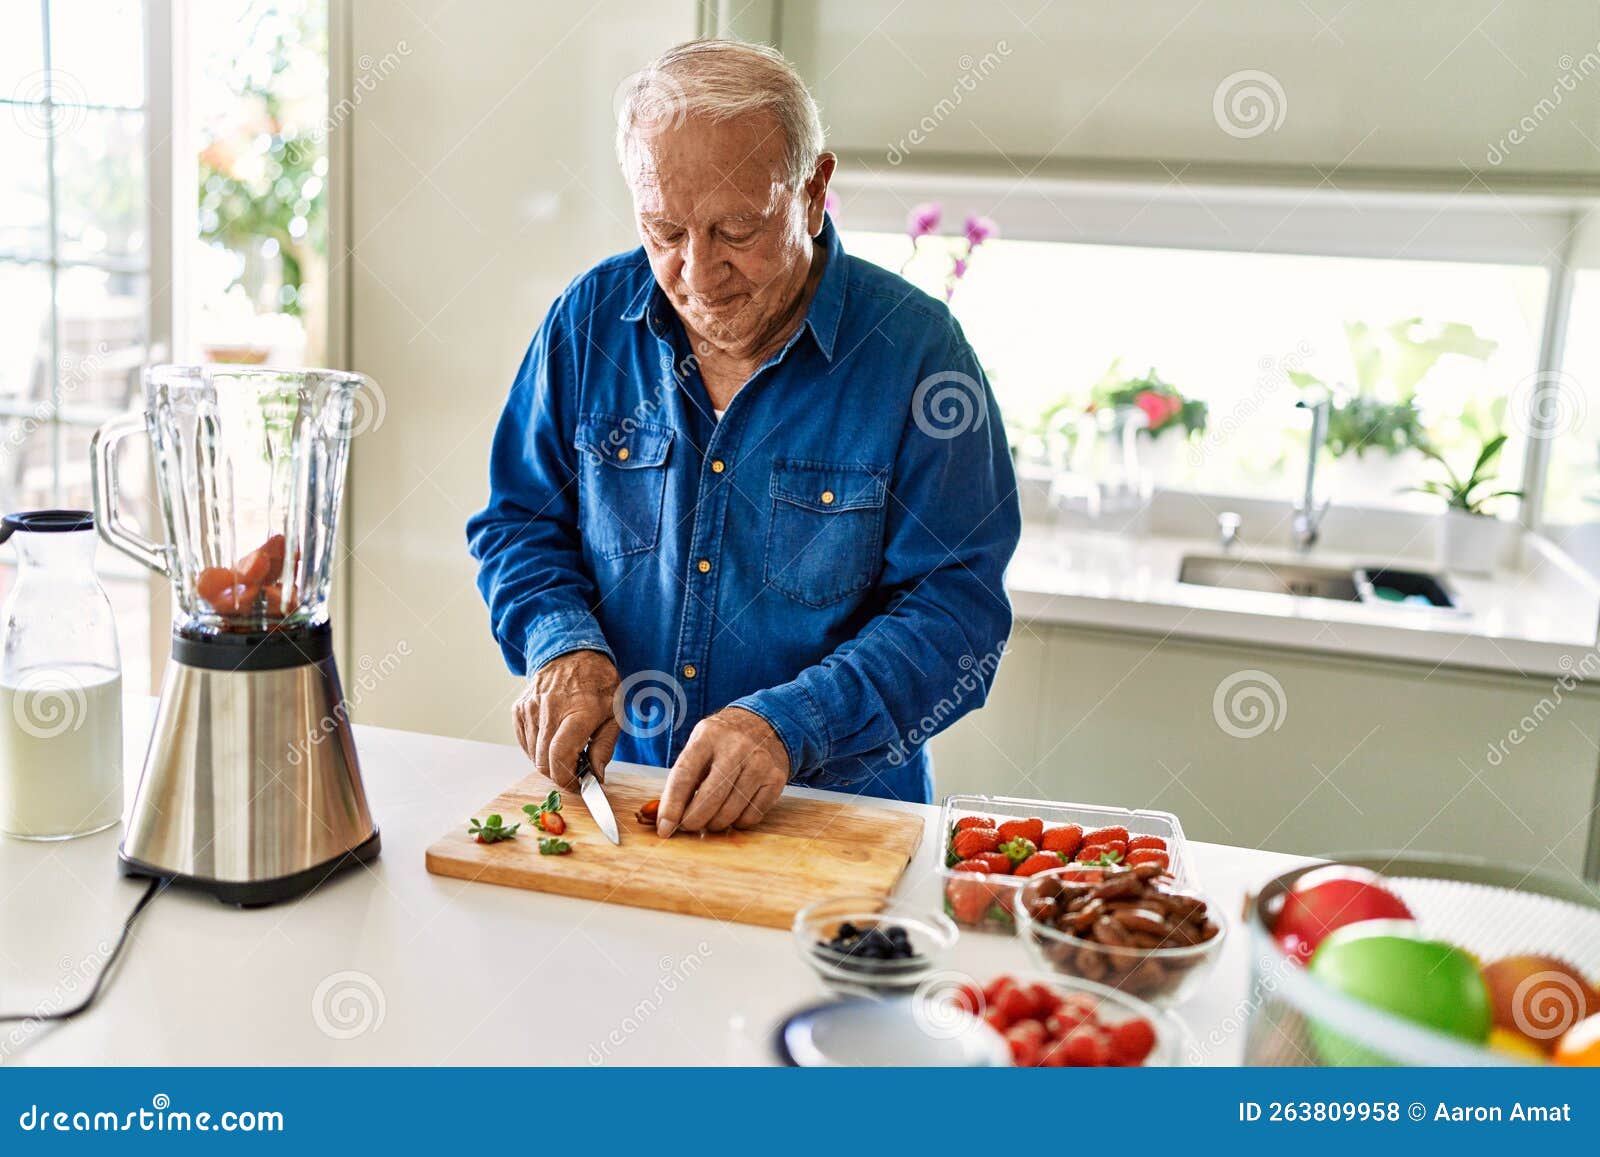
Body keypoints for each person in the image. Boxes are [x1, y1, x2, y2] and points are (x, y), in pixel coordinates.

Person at [467, 39, 1019, 836]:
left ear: (814, 190)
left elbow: (957, 611)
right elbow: (519, 524)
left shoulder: (920, 358)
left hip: (834, 822)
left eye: (736, 229)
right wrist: (560, 643)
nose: (697, 271)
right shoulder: (585, 325)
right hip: (621, 807)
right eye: (664, 230)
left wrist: (789, 726)